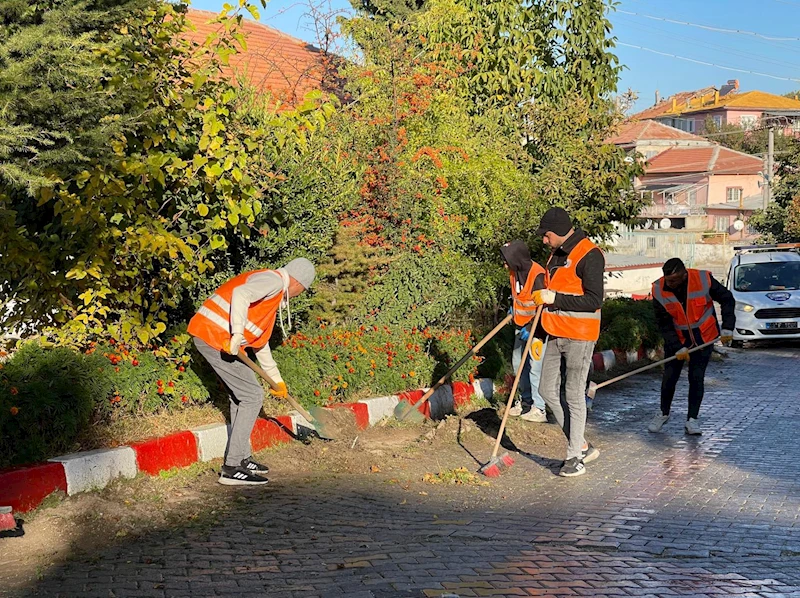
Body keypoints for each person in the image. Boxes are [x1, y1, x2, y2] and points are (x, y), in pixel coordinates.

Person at [187, 258, 316, 485]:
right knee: (252, 395)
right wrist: (237, 334)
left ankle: (242, 458)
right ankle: (232, 468)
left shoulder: (272, 298)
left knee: (241, 397)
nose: (299, 295)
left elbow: (260, 343)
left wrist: (277, 380)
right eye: (303, 290)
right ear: (298, 283)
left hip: (216, 337)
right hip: (214, 336)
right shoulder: (274, 281)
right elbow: (241, 294)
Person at [531, 207, 602, 477]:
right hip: (554, 332)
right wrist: (538, 334)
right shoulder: (556, 255)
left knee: (573, 394)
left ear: (559, 231)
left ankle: (574, 457)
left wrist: (554, 299)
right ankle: (581, 444)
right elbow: (553, 294)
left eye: (547, 235)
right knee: (547, 390)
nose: (544, 240)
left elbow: (594, 300)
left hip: (580, 335)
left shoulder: (590, 254)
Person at [649, 258, 734, 435]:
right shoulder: (658, 289)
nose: (670, 284)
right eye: (668, 280)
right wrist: (677, 346)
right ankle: (663, 413)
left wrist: (727, 327)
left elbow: (727, 299)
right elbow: (664, 323)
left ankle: (692, 420)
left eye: (674, 280)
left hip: (704, 338)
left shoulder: (703, 279)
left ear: (684, 274)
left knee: (696, 378)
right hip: (678, 341)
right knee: (669, 377)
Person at [500, 240, 548, 423]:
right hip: (520, 327)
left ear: (516, 258)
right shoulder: (514, 272)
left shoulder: (538, 275)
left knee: (535, 368)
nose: (504, 264)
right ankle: (526, 402)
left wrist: (532, 328)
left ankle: (540, 408)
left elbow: (543, 307)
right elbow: (519, 297)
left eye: (506, 260)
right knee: (518, 364)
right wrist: (512, 310)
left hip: (538, 329)